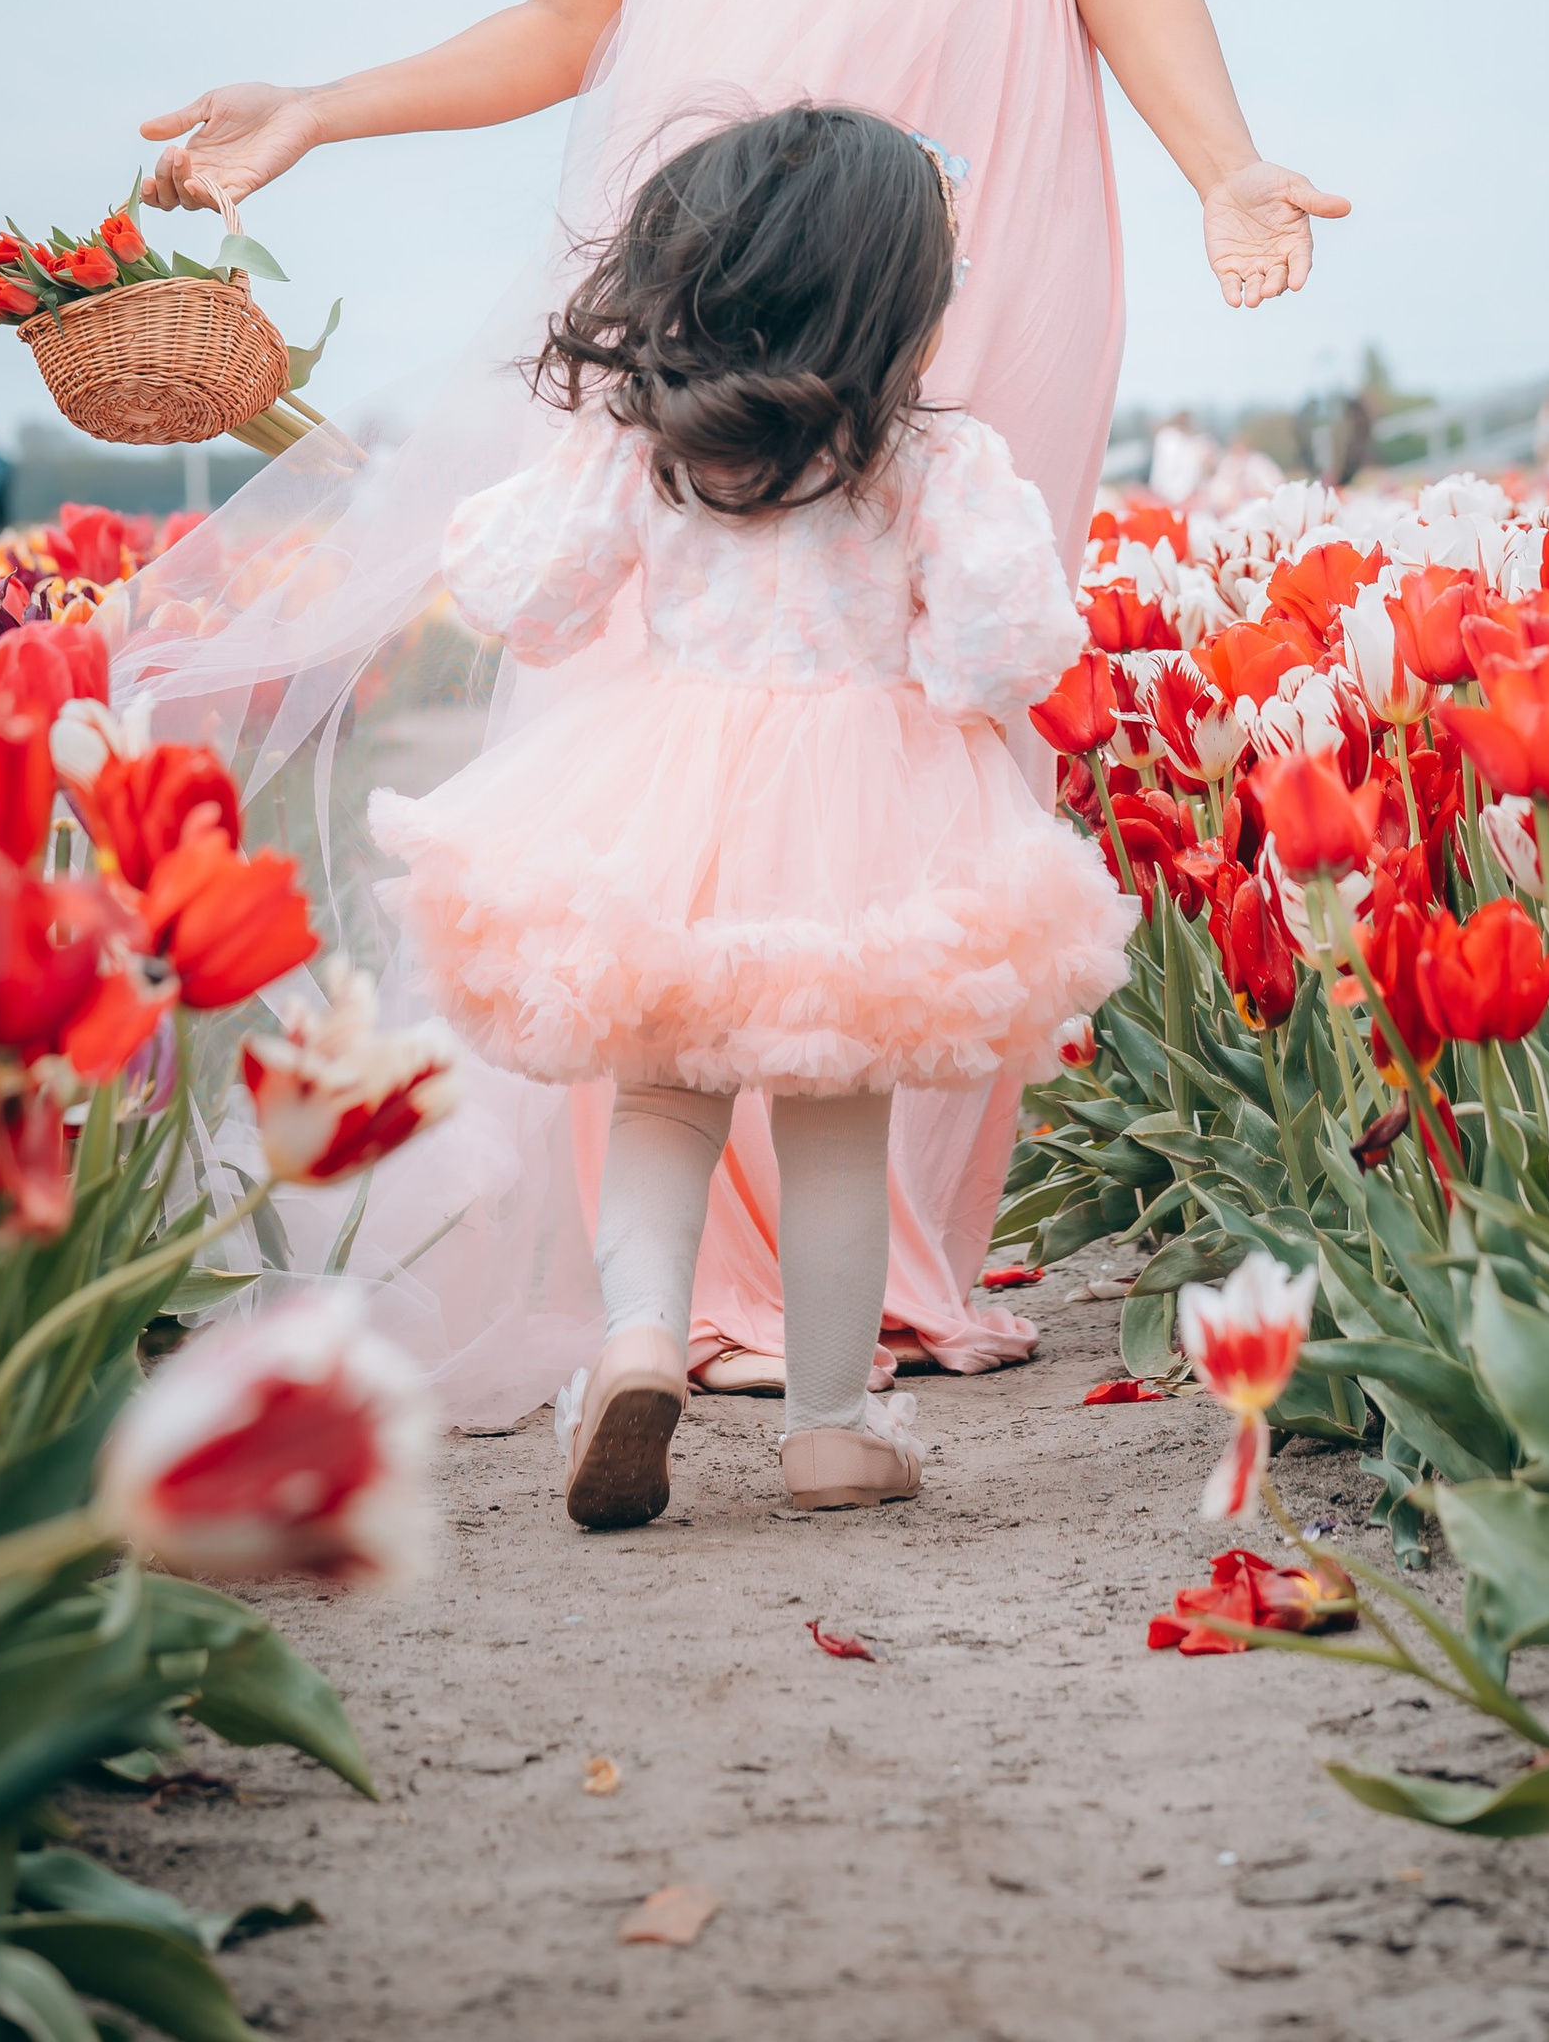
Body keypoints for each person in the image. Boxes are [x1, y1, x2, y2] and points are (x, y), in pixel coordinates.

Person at [115, 0, 1345, 1420]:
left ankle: (884, 1254)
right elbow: (559, 21)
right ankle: (660, 1273)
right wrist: (319, 104)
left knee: (932, 657)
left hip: (974, 223)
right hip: (693, 213)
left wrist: (1228, 165)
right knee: (654, 659)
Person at [383, 107, 1132, 1525]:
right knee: (837, 1120)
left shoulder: (652, 447)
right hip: (867, 812)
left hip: (667, 795)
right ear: (886, 295)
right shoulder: (931, 461)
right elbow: (1002, 652)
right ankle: (834, 1425)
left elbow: (523, 600)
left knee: (665, 1095)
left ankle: (639, 1343)